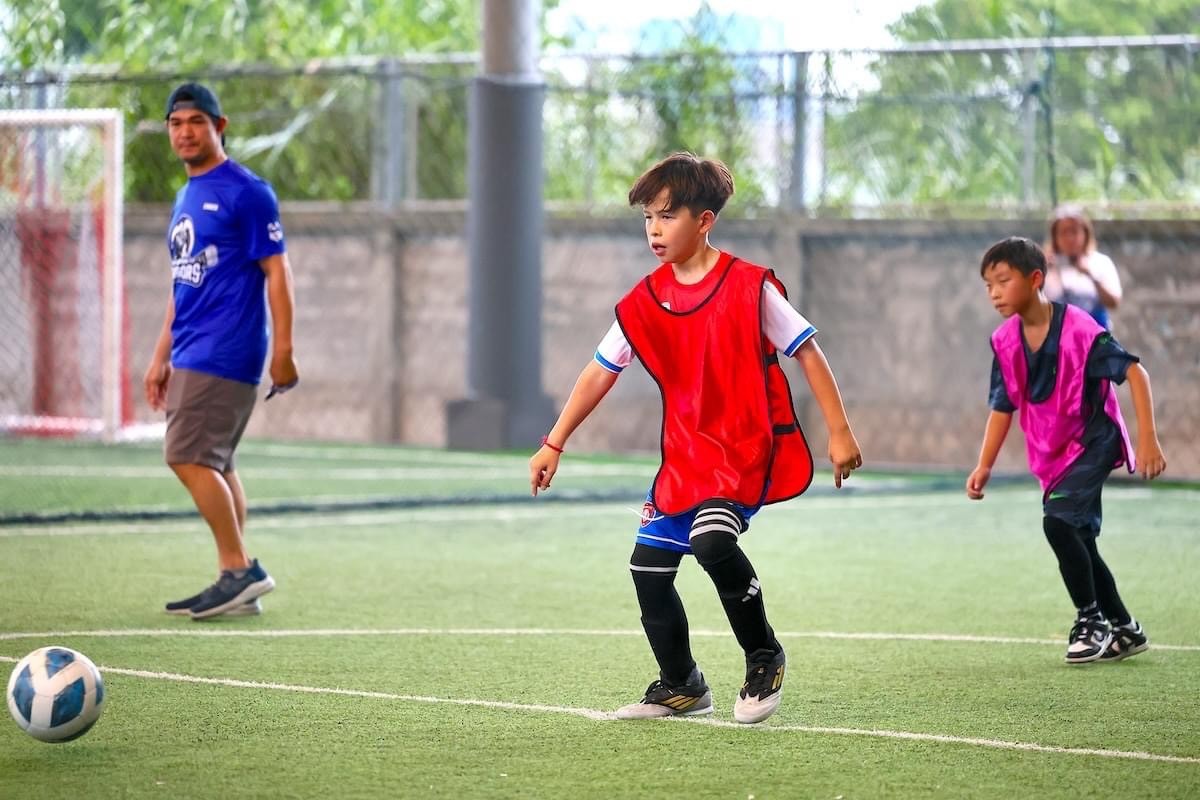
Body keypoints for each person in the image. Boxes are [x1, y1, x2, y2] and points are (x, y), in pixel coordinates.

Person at [528, 152, 862, 723]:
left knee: (711, 543)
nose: (654, 229)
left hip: (741, 450)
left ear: (704, 221)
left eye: (667, 216)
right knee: (648, 568)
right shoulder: (645, 299)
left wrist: (839, 432)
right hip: (685, 458)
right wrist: (554, 441)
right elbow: (599, 370)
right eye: (647, 219)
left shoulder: (749, 288)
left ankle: (764, 656)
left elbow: (807, 350)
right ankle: (682, 685)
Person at [967, 236, 1166, 664]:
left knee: (1057, 524)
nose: (995, 292)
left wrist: (1148, 439)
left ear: (1036, 279)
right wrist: (984, 465)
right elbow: (1003, 407)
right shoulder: (1004, 342)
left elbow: (1135, 373)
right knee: (1080, 541)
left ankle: (1089, 619)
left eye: (1003, 280)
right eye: (988, 285)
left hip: (1093, 443)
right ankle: (1125, 629)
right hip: (1054, 455)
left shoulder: (1080, 330)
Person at [143, 83, 299, 620]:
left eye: (195, 121)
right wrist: (161, 353)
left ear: (220, 126)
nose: (185, 131)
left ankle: (239, 571)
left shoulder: (247, 191)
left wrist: (284, 351)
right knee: (217, 462)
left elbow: (278, 272)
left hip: (224, 349)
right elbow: (182, 282)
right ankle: (234, 581)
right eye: (175, 123)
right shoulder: (185, 195)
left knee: (185, 455)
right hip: (190, 348)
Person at [1043, 204, 1122, 330]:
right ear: (1055, 237)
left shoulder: (1100, 262)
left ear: (1085, 233)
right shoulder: (1045, 267)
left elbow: (1114, 302)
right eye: (1063, 232)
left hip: (1095, 339)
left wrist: (1090, 275)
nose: (1069, 238)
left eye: (1074, 231)